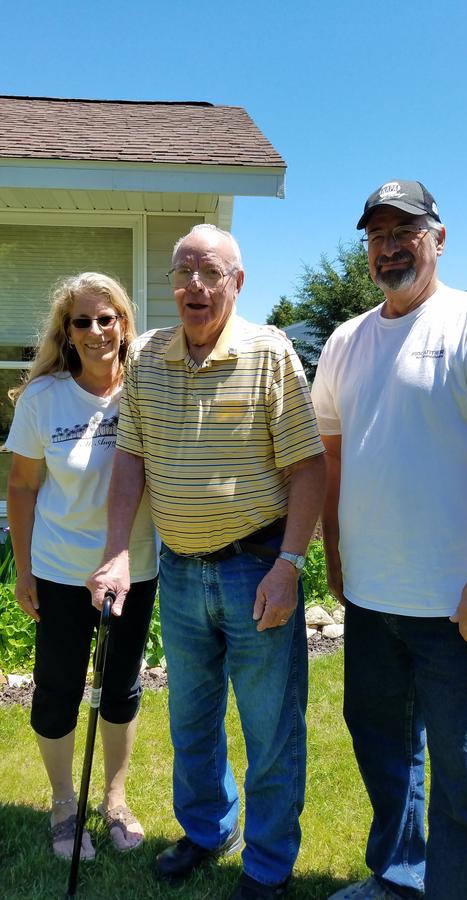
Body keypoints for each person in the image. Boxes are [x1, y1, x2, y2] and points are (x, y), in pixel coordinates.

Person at [87, 224, 326, 900]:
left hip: (257, 571)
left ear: (237, 282)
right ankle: (206, 829)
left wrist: (289, 564)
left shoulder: (269, 354)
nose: (195, 284)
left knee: (270, 729)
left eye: (210, 271)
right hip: (182, 573)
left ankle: (270, 864)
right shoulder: (149, 358)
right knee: (191, 718)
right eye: (183, 271)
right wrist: (113, 555)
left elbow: (308, 468)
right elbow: (130, 460)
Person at [311, 180, 467, 900]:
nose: (390, 247)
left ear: (440, 239)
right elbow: (333, 458)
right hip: (372, 601)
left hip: (462, 608)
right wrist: (333, 554)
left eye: (406, 231)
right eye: (377, 234)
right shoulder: (345, 341)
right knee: (386, 754)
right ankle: (401, 877)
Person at [6, 273, 158, 861]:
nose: (96, 331)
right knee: (58, 691)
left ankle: (114, 800)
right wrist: (23, 571)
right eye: (81, 322)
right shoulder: (45, 399)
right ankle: (65, 805)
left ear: (123, 322)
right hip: (61, 572)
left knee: (119, 688)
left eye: (106, 318)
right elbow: (21, 488)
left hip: (133, 568)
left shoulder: (147, 390)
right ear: (66, 333)